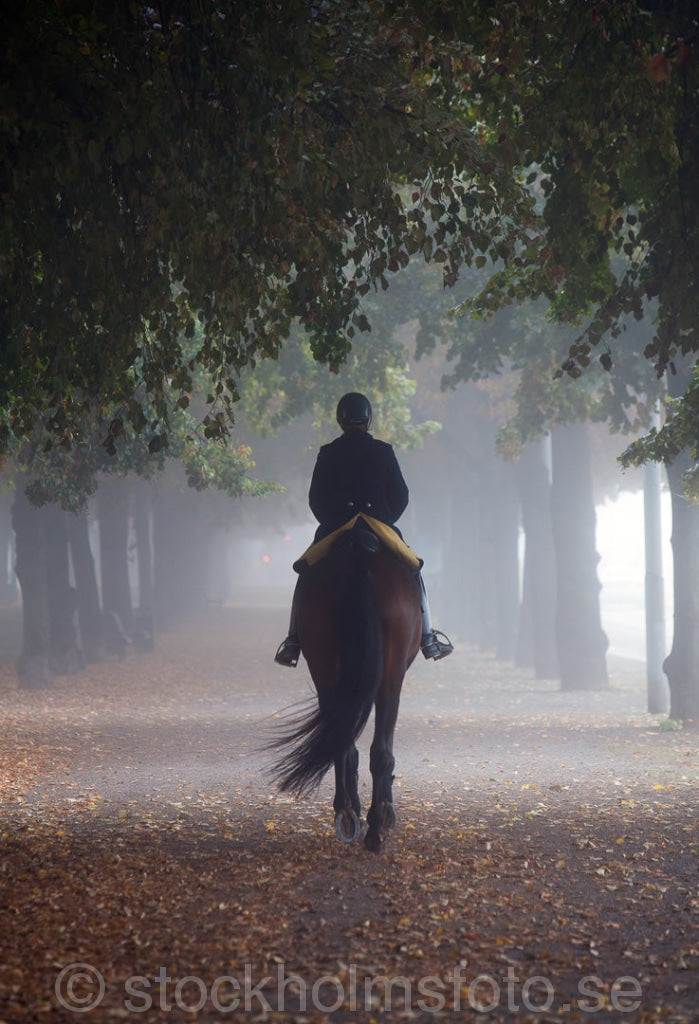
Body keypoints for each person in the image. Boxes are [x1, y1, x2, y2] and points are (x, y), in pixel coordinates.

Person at [274, 392, 453, 666]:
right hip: (379, 526)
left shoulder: (328, 452)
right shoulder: (383, 451)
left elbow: (316, 499)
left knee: (306, 570)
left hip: (336, 527)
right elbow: (401, 496)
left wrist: (333, 520)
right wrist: (384, 519)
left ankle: (293, 639)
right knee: (414, 569)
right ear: (368, 419)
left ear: (340, 420)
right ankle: (428, 636)